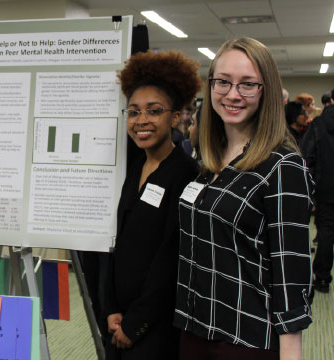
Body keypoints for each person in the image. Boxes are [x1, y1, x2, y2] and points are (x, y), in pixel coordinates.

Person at [175, 37, 313, 360]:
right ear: (210, 86)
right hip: (194, 331)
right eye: (223, 82)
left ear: (266, 90)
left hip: (245, 342)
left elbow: (291, 281)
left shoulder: (283, 166)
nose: (233, 94)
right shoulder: (210, 160)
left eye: (247, 84)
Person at [103, 50, 201, 359]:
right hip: (119, 318)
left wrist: (136, 324)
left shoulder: (186, 174)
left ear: (175, 118)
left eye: (153, 111)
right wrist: (110, 309)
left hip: (155, 325)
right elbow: (117, 240)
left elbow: (172, 259)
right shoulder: (134, 167)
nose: (141, 120)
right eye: (133, 112)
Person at [300, 92, 334, 294]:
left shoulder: (317, 125)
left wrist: (310, 188)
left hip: (325, 187)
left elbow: (306, 156)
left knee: (326, 233)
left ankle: (322, 279)